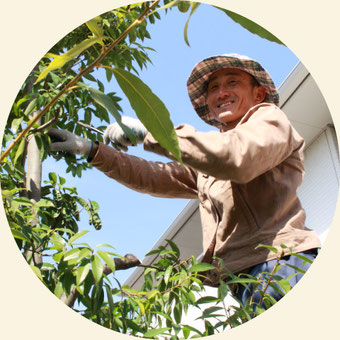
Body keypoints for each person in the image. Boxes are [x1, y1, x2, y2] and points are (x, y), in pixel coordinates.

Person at [48, 53, 321, 310]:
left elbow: (235, 157)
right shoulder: (207, 161)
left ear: (258, 94)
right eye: (213, 88)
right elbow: (154, 176)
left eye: (232, 82)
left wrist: (153, 131)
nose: (221, 92)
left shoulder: (270, 120)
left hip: (281, 264)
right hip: (244, 279)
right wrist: (92, 150)